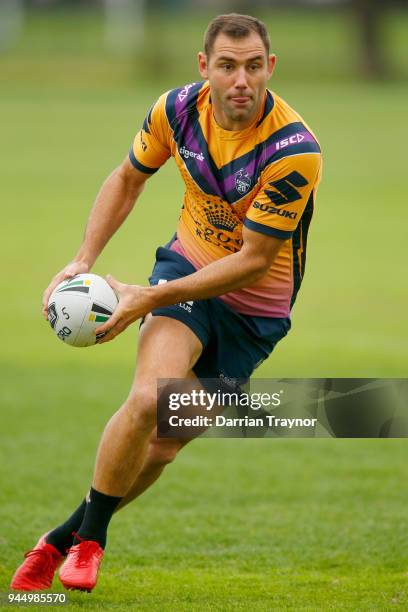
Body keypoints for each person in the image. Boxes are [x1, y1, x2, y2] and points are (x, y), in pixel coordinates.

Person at [11, 13, 322, 592]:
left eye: (253, 67)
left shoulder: (293, 150)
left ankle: (57, 542)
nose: (241, 81)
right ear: (204, 67)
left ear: (270, 68)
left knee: (163, 446)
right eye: (227, 66)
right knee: (150, 398)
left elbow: (254, 261)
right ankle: (92, 543)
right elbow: (128, 178)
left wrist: (144, 297)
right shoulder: (176, 112)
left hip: (254, 313)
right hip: (185, 269)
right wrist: (82, 260)